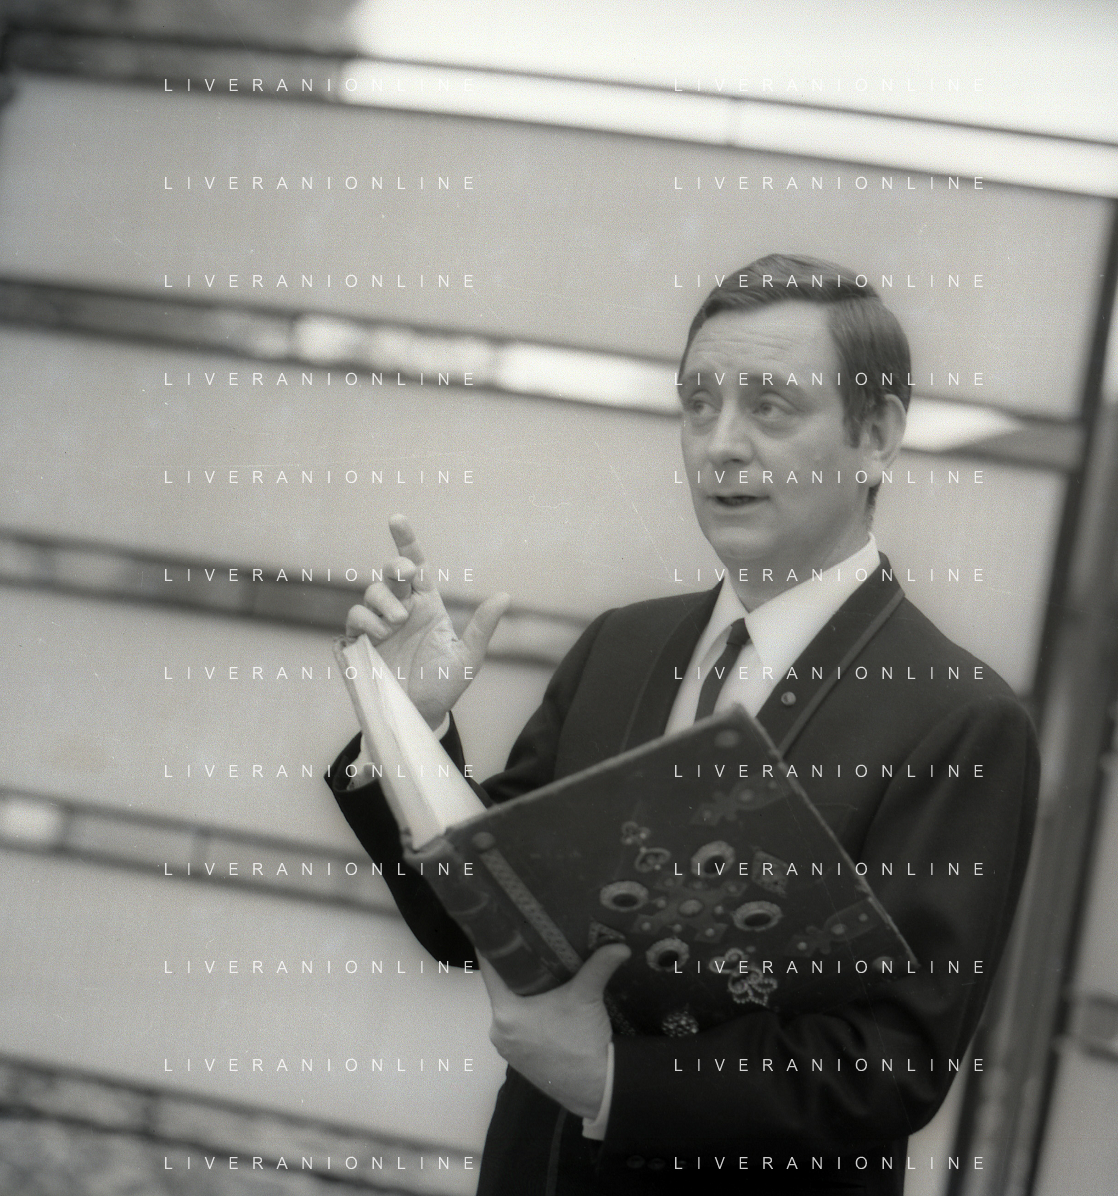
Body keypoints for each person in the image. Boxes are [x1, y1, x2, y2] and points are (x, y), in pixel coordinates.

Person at [326, 255, 1040, 1195]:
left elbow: (894, 1061)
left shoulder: (957, 718)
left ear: (875, 436)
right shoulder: (621, 645)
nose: (720, 444)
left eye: (770, 407)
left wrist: (616, 1084)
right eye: (697, 404)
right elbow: (475, 922)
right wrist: (407, 732)